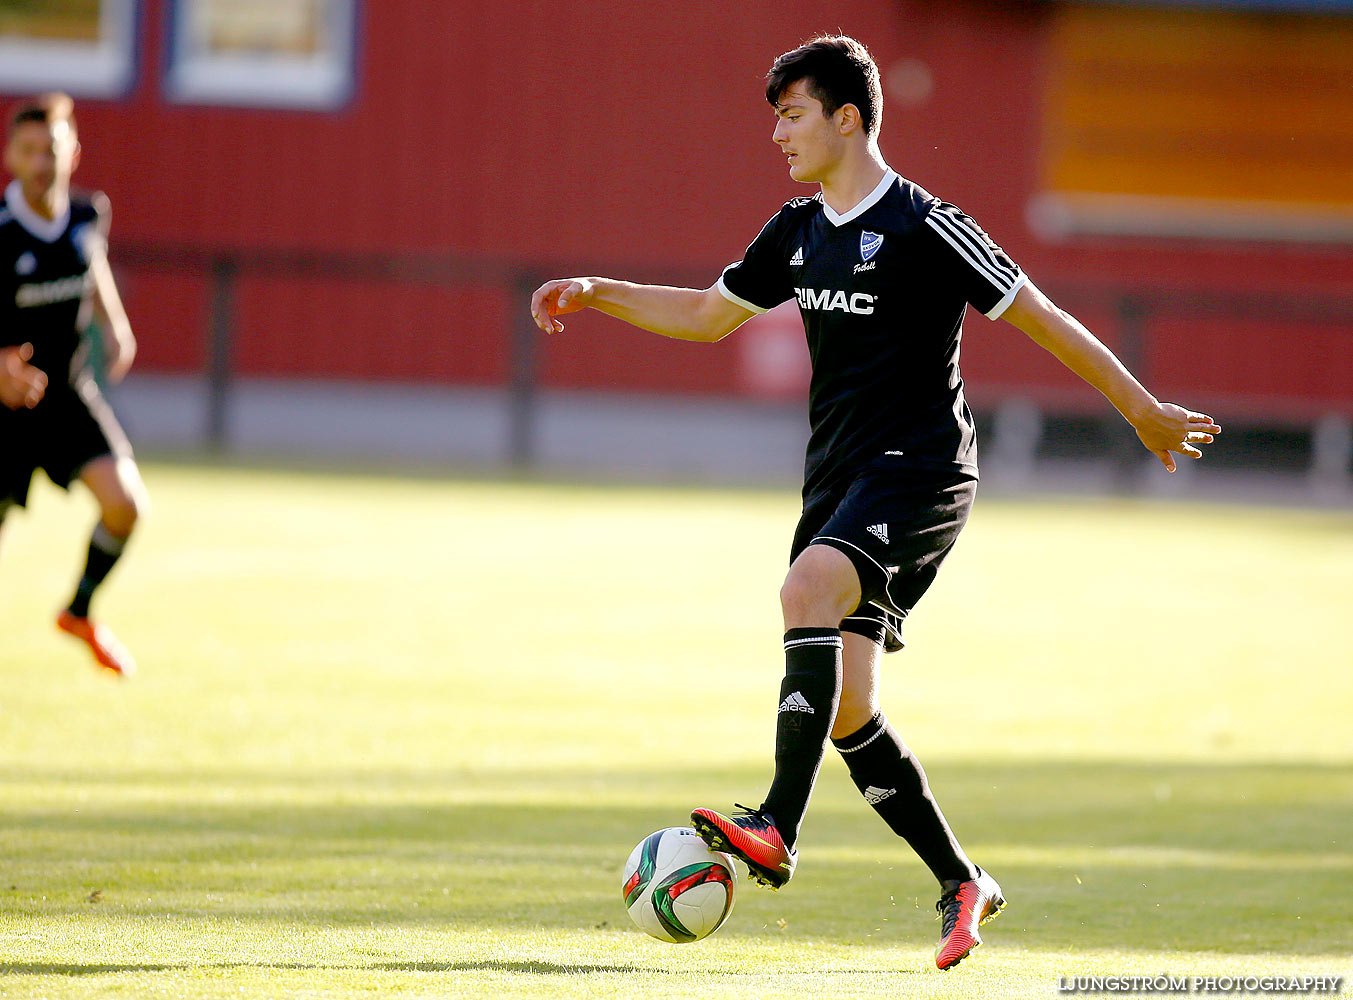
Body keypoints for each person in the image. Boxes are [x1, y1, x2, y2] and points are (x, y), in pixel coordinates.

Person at [529, 36, 1220, 970]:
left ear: (846, 118)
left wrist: (1141, 412)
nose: (777, 133)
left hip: (924, 471)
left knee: (804, 591)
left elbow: (1043, 317)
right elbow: (706, 316)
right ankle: (962, 879)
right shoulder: (795, 228)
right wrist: (599, 290)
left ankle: (776, 822)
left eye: (791, 114)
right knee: (848, 705)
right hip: (840, 477)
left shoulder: (928, 226)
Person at [1, 93, 147, 678]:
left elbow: (95, 262)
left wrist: (115, 323)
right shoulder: (1, 232)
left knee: (126, 505)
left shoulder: (89, 216)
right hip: (2, 412)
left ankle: (80, 611)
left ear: (73, 153)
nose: (42, 162)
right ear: (11, 157)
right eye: (30, 151)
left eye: (52, 150)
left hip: (65, 397)